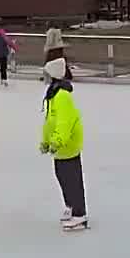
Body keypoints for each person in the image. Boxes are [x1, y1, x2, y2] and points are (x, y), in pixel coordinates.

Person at [40, 58, 87, 231]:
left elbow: (64, 122)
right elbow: (49, 121)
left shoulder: (62, 96)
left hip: (68, 144)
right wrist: (46, 141)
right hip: (59, 146)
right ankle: (71, 206)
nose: (44, 77)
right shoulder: (53, 94)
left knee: (72, 179)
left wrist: (57, 141)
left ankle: (79, 215)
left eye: (46, 74)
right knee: (62, 176)